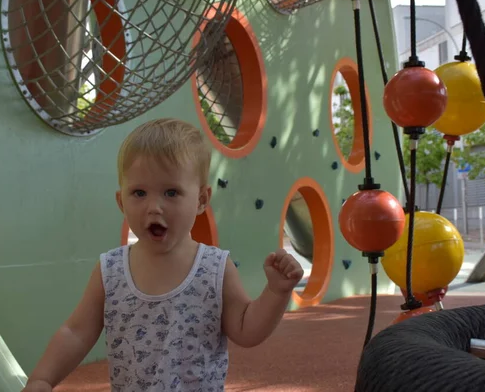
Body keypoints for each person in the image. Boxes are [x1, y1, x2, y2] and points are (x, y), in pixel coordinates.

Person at [23, 118, 304, 392]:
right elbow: (76, 332)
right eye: (139, 193)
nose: (154, 207)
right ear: (121, 201)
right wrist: (42, 379)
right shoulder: (110, 271)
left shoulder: (214, 269)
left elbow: (246, 328)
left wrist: (276, 292)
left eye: (171, 192)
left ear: (201, 200)